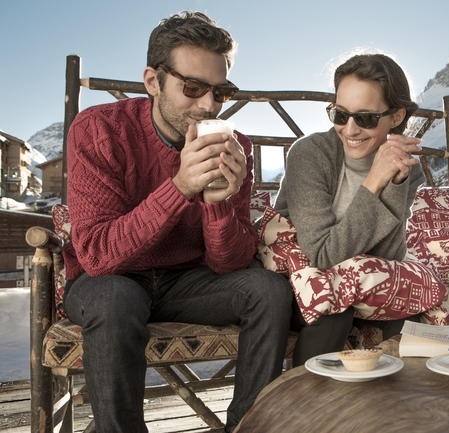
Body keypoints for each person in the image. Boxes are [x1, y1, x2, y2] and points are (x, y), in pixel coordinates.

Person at [62, 11, 292, 433]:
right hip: (109, 281)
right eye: (193, 87)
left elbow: (228, 264)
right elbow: (97, 255)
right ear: (153, 81)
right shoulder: (99, 129)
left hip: (187, 281)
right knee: (115, 300)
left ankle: (248, 426)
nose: (208, 105)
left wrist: (218, 205)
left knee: (268, 291)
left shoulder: (235, 146)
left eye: (220, 91)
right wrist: (181, 186)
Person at [273, 52, 425, 366]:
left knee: (408, 311)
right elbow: (321, 254)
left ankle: (389, 396)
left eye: (366, 118)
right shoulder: (309, 154)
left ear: (396, 116)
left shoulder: (405, 166)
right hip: (295, 280)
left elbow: (387, 258)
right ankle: (306, 397)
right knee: (333, 313)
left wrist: (395, 183)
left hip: (357, 285)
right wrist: (374, 181)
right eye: (340, 115)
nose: (350, 129)